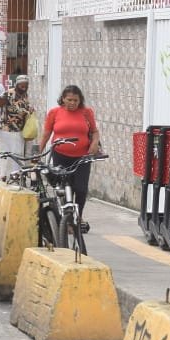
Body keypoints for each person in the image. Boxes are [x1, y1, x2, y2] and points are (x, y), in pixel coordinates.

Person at [41, 84, 102, 232]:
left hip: (82, 157)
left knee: (80, 189)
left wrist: (94, 144)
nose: (73, 103)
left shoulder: (87, 113)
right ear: (63, 99)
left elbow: (94, 132)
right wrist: (38, 153)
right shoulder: (54, 113)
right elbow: (46, 134)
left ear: (80, 100)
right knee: (63, 189)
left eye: (76, 100)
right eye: (69, 100)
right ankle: (66, 219)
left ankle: (78, 216)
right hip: (60, 156)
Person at [0, 75, 34, 179]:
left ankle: (15, 177)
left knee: (17, 155)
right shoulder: (8, 94)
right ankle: (3, 176)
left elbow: (23, 109)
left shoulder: (25, 96)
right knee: (5, 155)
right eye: (22, 85)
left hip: (19, 131)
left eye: (26, 85)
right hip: (6, 131)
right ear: (16, 85)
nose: (24, 87)